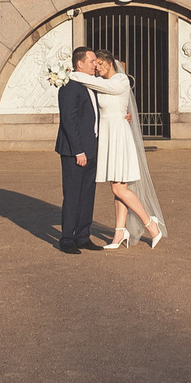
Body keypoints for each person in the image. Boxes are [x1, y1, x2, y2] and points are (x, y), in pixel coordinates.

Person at [73, 52, 165, 248]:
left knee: (118, 187)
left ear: (109, 62)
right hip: (107, 138)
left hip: (120, 137)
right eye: (94, 64)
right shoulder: (98, 83)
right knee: (117, 188)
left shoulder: (121, 80)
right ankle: (118, 234)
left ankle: (150, 224)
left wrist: (70, 74)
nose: (96, 67)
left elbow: (106, 88)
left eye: (99, 63)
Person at [54, 45, 101, 253]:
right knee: (72, 194)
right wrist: (78, 151)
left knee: (88, 194)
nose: (95, 65)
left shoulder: (91, 84)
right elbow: (69, 120)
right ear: (79, 64)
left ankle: (83, 236)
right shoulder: (70, 85)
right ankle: (66, 239)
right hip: (75, 151)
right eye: (92, 61)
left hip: (92, 147)